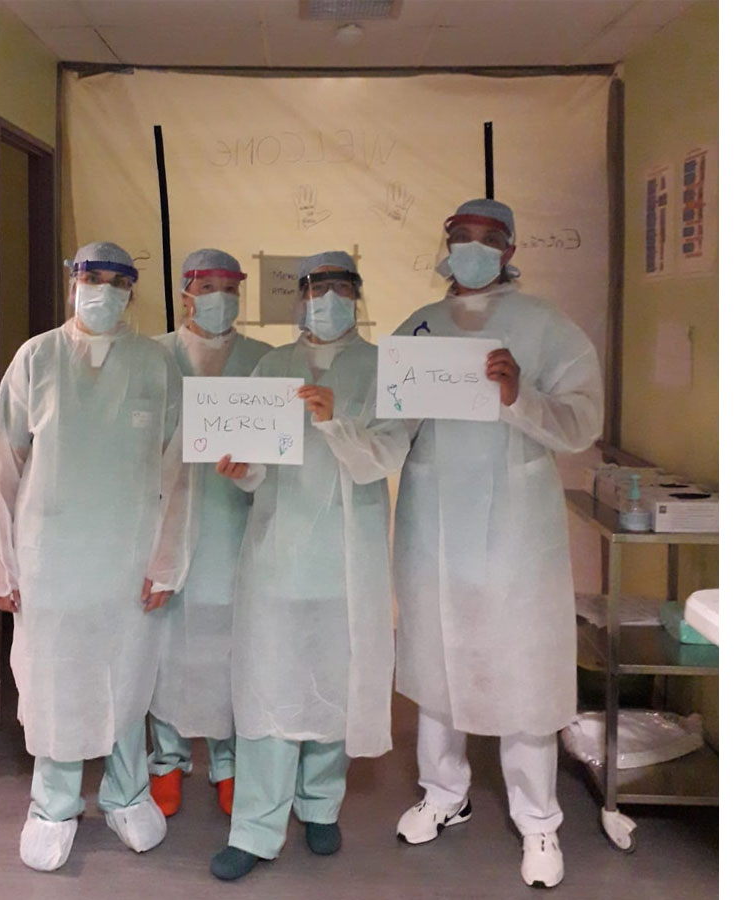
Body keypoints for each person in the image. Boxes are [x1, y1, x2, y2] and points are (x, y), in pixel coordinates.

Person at [391, 199, 604, 889]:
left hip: (516, 528)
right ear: (445, 243)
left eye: (489, 239)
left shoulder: (546, 327)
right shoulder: (418, 327)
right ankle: (443, 793)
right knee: (437, 658)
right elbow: (388, 420)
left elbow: (581, 424)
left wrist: (520, 396)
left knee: (523, 666)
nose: (473, 248)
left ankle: (538, 819)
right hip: (434, 522)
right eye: (461, 236)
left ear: (510, 250)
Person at [0, 241, 190, 872]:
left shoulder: (155, 365)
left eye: (119, 281)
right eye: (94, 277)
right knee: (56, 682)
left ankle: (127, 794)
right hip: (52, 562)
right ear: (74, 282)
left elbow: (180, 472)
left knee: (127, 680)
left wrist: (168, 561)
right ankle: (53, 804)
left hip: (130, 560)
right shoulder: (37, 358)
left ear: (132, 291)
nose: (104, 290)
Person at [208, 251, 408, 881]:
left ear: (357, 294)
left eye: (341, 287)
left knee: (334, 682)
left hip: (346, 558)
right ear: (300, 297)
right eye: (317, 288)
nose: (328, 299)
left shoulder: (384, 368)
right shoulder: (273, 367)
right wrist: (242, 469)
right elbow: (258, 464)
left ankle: (321, 804)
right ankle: (255, 828)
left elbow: (385, 456)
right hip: (277, 555)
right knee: (268, 688)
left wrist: (334, 422)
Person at [147, 249, 272, 818]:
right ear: (185, 295)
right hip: (165, 523)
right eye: (207, 286)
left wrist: (250, 468)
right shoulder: (154, 358)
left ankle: (229, 762)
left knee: (230, 649)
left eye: (230, 287)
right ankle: (167, 761)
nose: (220, 297)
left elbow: (276, 449)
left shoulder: (262, 361)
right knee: (166, 647)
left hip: (234, 523)